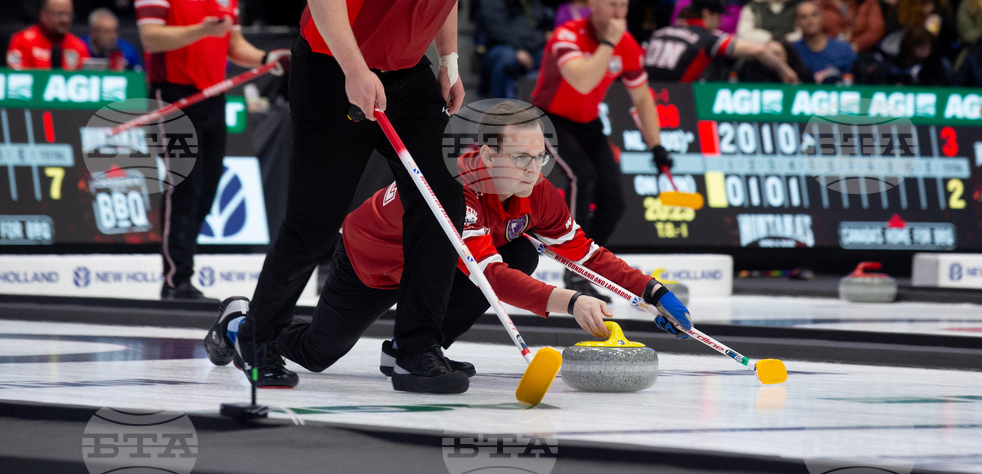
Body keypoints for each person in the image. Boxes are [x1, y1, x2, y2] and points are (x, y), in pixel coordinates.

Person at [234, 0, 547, 393]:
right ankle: (255, 339)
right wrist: (356, 71)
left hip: (407, 75)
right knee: (311, 225)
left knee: (442, 205)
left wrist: (449, 61)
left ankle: (415, 349)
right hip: (336, 70)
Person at [204, 102, 693, 384]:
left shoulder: (538, 193)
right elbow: (491, 277)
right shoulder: (456, 189)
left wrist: (651, 292)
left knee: (520, 249)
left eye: (540, 159)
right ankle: (240, 321)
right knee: (317, 354)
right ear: (486, 152)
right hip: (372, 260)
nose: (533, 171)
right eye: (521, 159)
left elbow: (583, 253)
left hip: (433, 270)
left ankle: (411, 348)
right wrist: (569, 301)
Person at [133, 0, 288, 303]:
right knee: (182, 186)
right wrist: (200, 30)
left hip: (214, 94)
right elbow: (151, 39)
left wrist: (266, 59)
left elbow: (233, 44)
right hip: (173, 95)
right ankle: (176, 278)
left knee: (208, 187)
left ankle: (182, 270)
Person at [531, 0, 671, 300]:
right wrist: (608, 44)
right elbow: (582, 82)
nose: (620, 13)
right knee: (582, 175)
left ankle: (584, 266)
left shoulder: (627, 42)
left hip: (589, 122)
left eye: (624, 5)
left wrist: (657, 145)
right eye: (612, 5)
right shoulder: (566, 35)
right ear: (592, 5)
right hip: (548, 118)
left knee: (615, 200)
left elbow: (643, 99)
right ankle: (572, 266)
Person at [645, 0, 799, 83]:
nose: (720, 22)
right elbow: (758, 50)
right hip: (673, 100)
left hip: (643, 95)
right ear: (706, 13)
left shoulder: (660, 33)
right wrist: (785, 70)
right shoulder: (707, 38)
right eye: (718, 16)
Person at [476, 0, 554, 99]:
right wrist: (519, 50)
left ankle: (546, 110)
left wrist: (539, 40)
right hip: (500, 51)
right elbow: (498, 32)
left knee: (554, 57)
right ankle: (500, 112)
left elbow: (543, 29)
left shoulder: (534, 2)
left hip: (531, 50)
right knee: (508, 57)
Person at [886, 0, 960, 59]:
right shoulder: (903, 8)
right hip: (908, 57)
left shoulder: (944, 6)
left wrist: (942, 25)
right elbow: (892, 35)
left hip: (938, 57)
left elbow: (955, 35)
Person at [6, 0, 89, 70]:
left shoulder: (78, 46)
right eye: (58, 14)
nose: (65, 20)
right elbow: (17, 77)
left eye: (68, 14)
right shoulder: (21, 41)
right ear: (43, 14)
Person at [792, 0, 857, 83]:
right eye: (803, 17)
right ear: (797, 22)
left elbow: (854, 83)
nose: (810, 21)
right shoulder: (792, 50)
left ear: (821, 17)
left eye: (814, 15)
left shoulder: (843, 49)